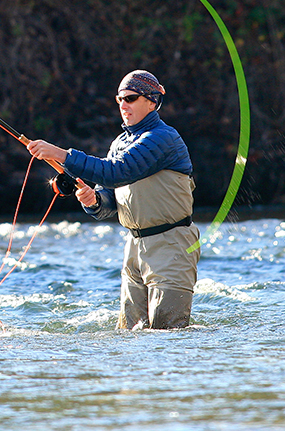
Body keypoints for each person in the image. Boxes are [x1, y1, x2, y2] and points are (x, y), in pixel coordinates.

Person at [26, 70, 199, 329]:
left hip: (171, 244)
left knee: (169, 332)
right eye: (119, 99)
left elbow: (119, 171)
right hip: (133, 247)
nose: (123, 105)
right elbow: (109, 198)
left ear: (151, 102)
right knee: (131, 333)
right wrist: (93, 200)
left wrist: (62, 154)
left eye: (130, 98)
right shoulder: (120, 143)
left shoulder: (164, 138)